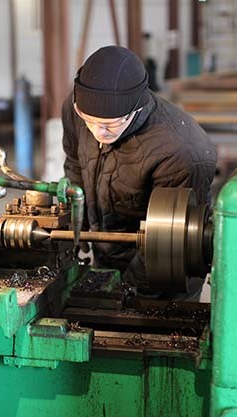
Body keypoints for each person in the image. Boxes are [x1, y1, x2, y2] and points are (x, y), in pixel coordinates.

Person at [62, 45, 217, 300]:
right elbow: (75, 163)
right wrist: (75, 225)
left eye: (111, 125)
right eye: (88, 119)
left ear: (136, 109)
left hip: (166, 274)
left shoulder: (182, 151)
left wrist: (125, 290)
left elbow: (169, 242)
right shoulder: (75, 108)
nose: (98, 132)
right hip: (108, 255)